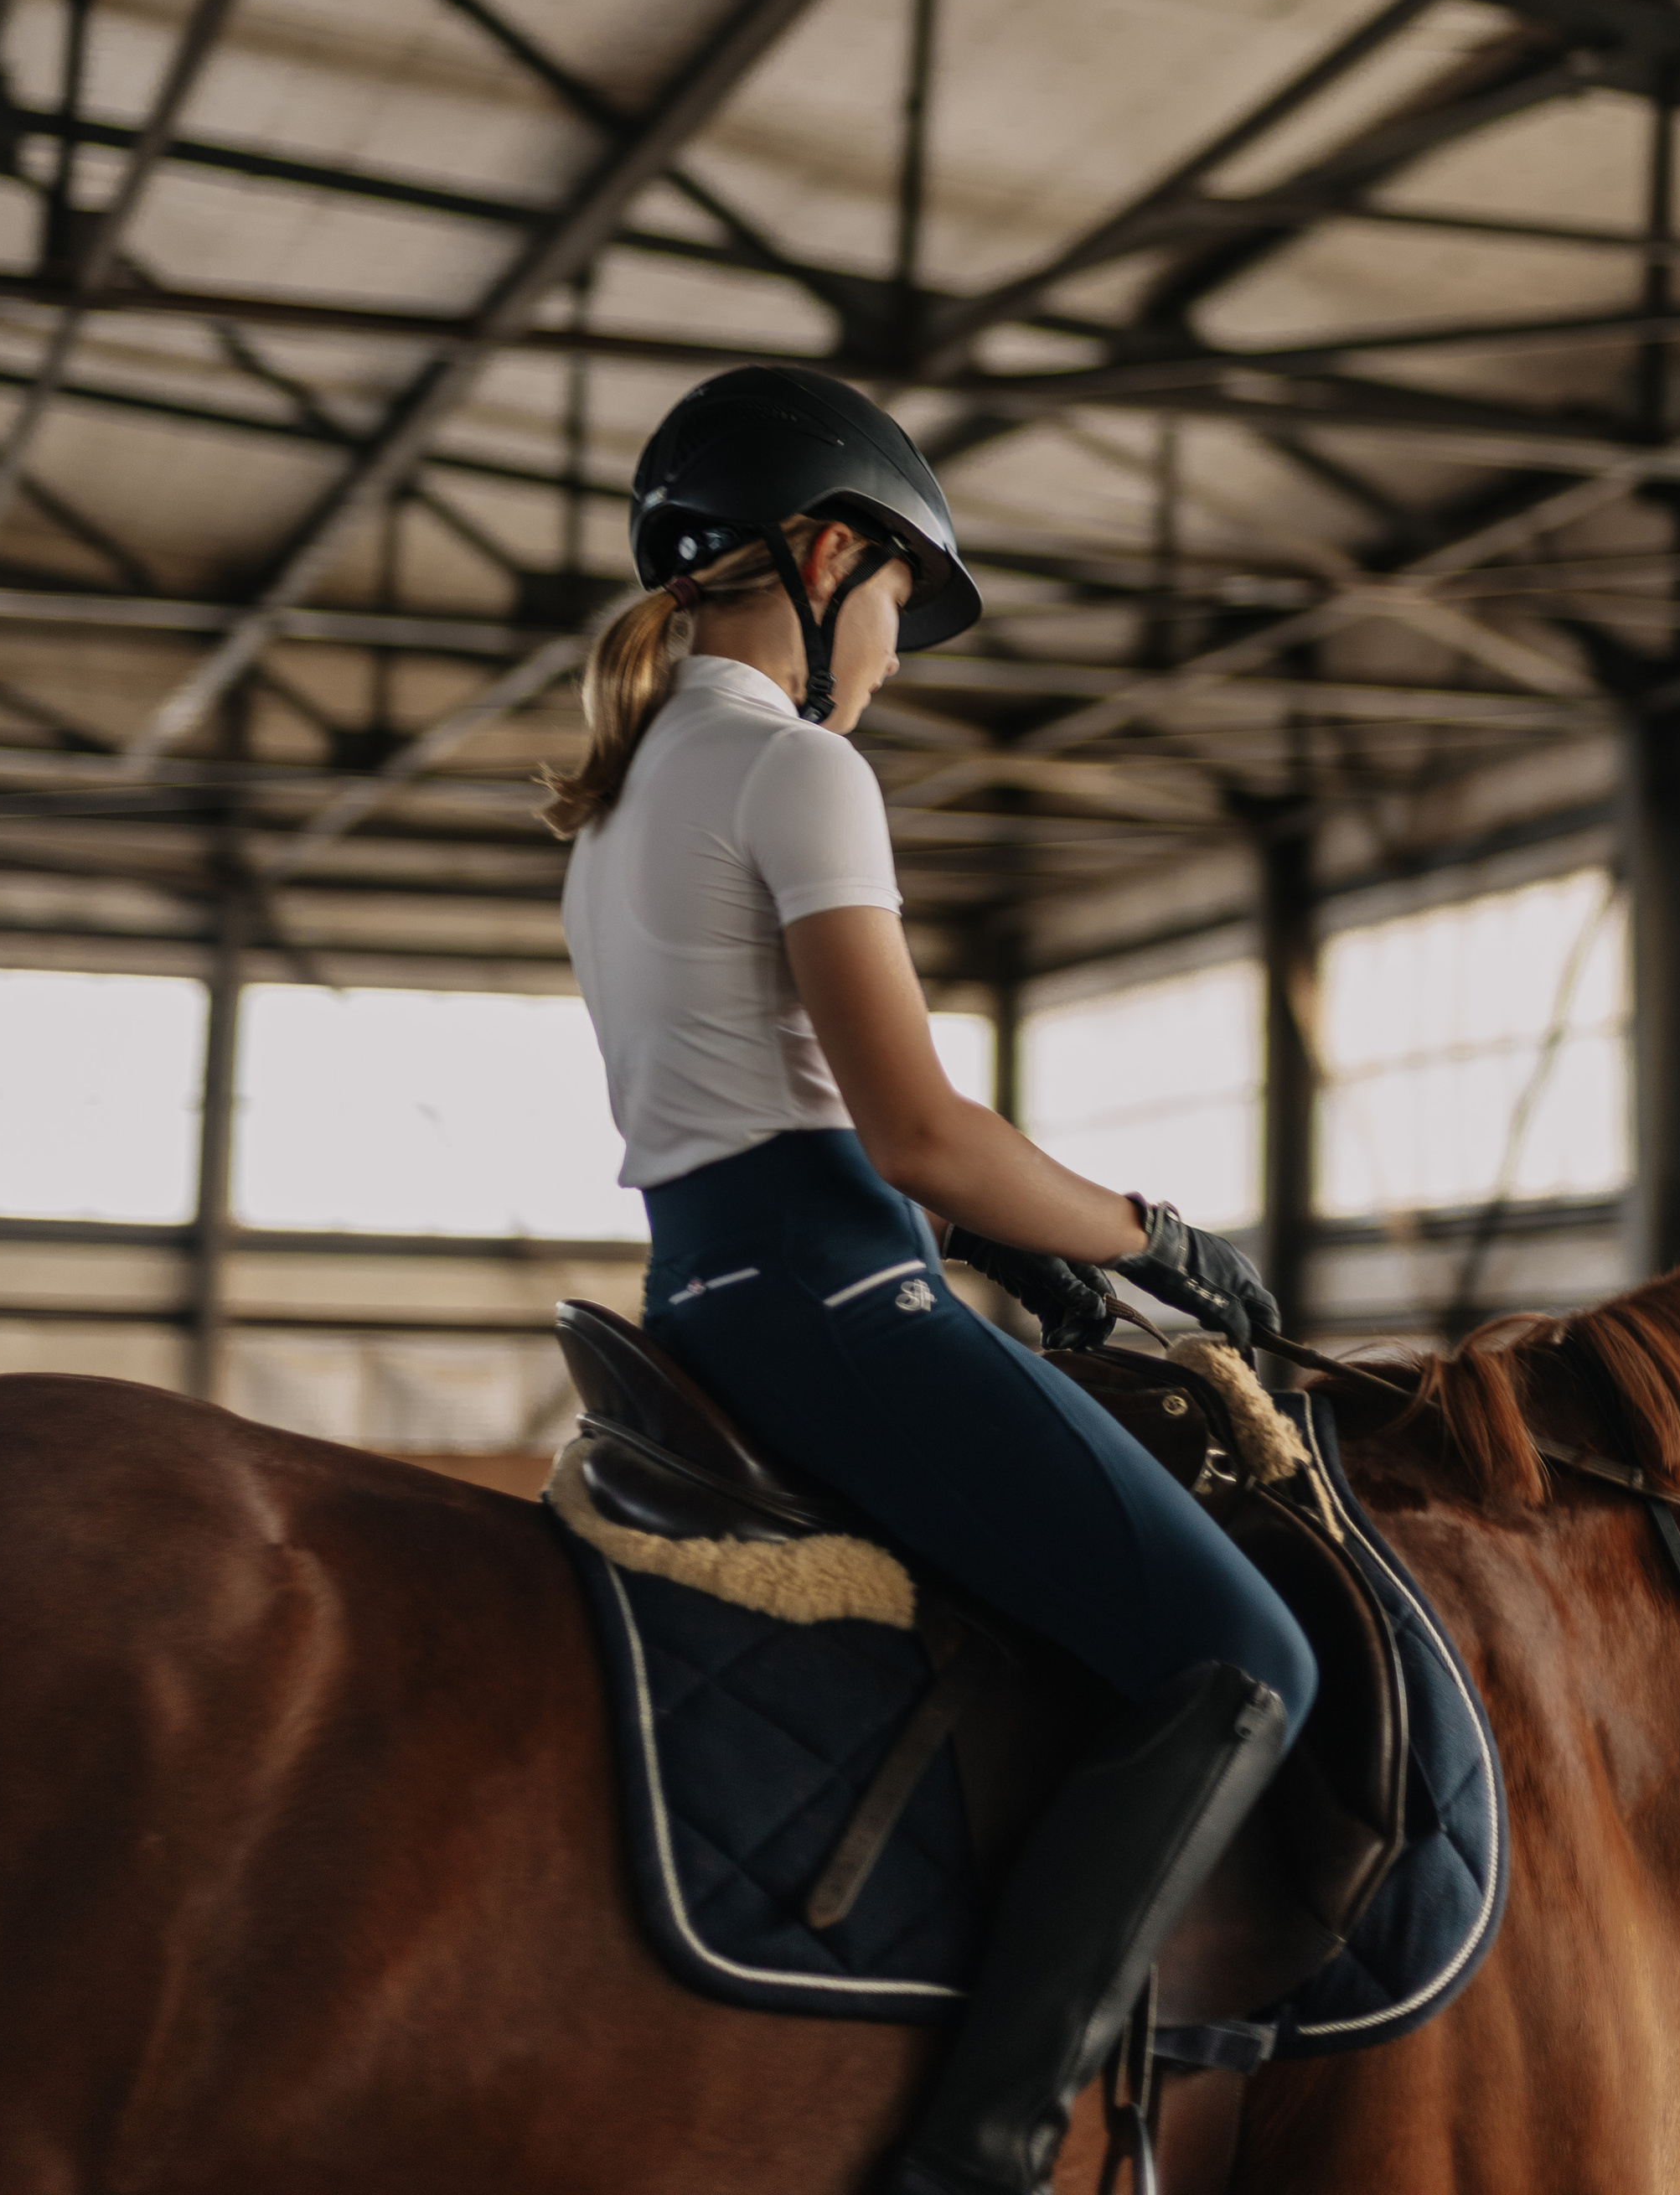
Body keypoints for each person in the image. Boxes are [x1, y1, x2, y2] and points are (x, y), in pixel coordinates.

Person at [541, 363, 1316, 2195]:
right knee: (1243, 1657)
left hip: (707, 1292)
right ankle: (981, 2153)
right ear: (821, 555)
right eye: (895, 600)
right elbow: (912, 1134)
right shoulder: (795, 766)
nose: (889, 649)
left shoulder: (622, 798)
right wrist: (1153, 1242)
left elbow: (768, 1098)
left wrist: (1007, 1261)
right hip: (833, 1294)